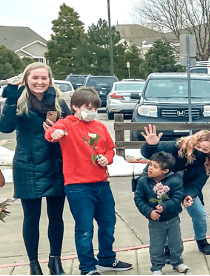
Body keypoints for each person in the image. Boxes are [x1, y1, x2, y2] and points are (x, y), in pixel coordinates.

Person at [46, 87, 132, 275]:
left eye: (94, 107)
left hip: (101, 183)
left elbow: (110, 149)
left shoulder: (99, 126)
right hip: (78, 186)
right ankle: (87, 267)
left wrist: (107, 159)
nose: (91, 111)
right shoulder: (67, 123)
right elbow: (52, 132)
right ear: (75, 106)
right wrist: (54, 134)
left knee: (108, 224)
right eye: (87, 107)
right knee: (85, 229)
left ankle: (107, 259)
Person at [1, 63, 68, 275]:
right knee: (32, 218)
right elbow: (5, 127)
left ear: (50, 80)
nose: (40, 82)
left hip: (55, 163)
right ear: (26, 80)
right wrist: (11, 98)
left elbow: (71, 125)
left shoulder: (57, 100)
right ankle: (33, 264)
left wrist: (60, 127)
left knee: (56, 217)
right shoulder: (19, 100)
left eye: (44, 78)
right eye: (35, 78)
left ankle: (55, 261)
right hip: (27, 164)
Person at [140, 128, 210, 255]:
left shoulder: (206, 163)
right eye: (198, 146)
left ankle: (201, 240)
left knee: (199, 213)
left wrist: (189, 196)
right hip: (163, 187)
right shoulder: (176, 147)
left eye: (205, 150)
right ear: (193, 142)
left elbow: (197, 184)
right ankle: (167, 246)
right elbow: (150, 154)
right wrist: (151, 145)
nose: (200, 151)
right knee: (166, 216)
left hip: (186, 187)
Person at [133, 152, 189, 275]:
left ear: (165, 170)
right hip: (155, 221)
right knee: (156, 246)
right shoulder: (143, 182)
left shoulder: (175, 180)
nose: (150, 168)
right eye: (150, 165)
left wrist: (164, 206)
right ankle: (156, 267)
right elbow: (138, 199)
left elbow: (177, 198)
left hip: (173, 219)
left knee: (176, 243)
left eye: (155, 167)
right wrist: (149, 212)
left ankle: (177, 262)